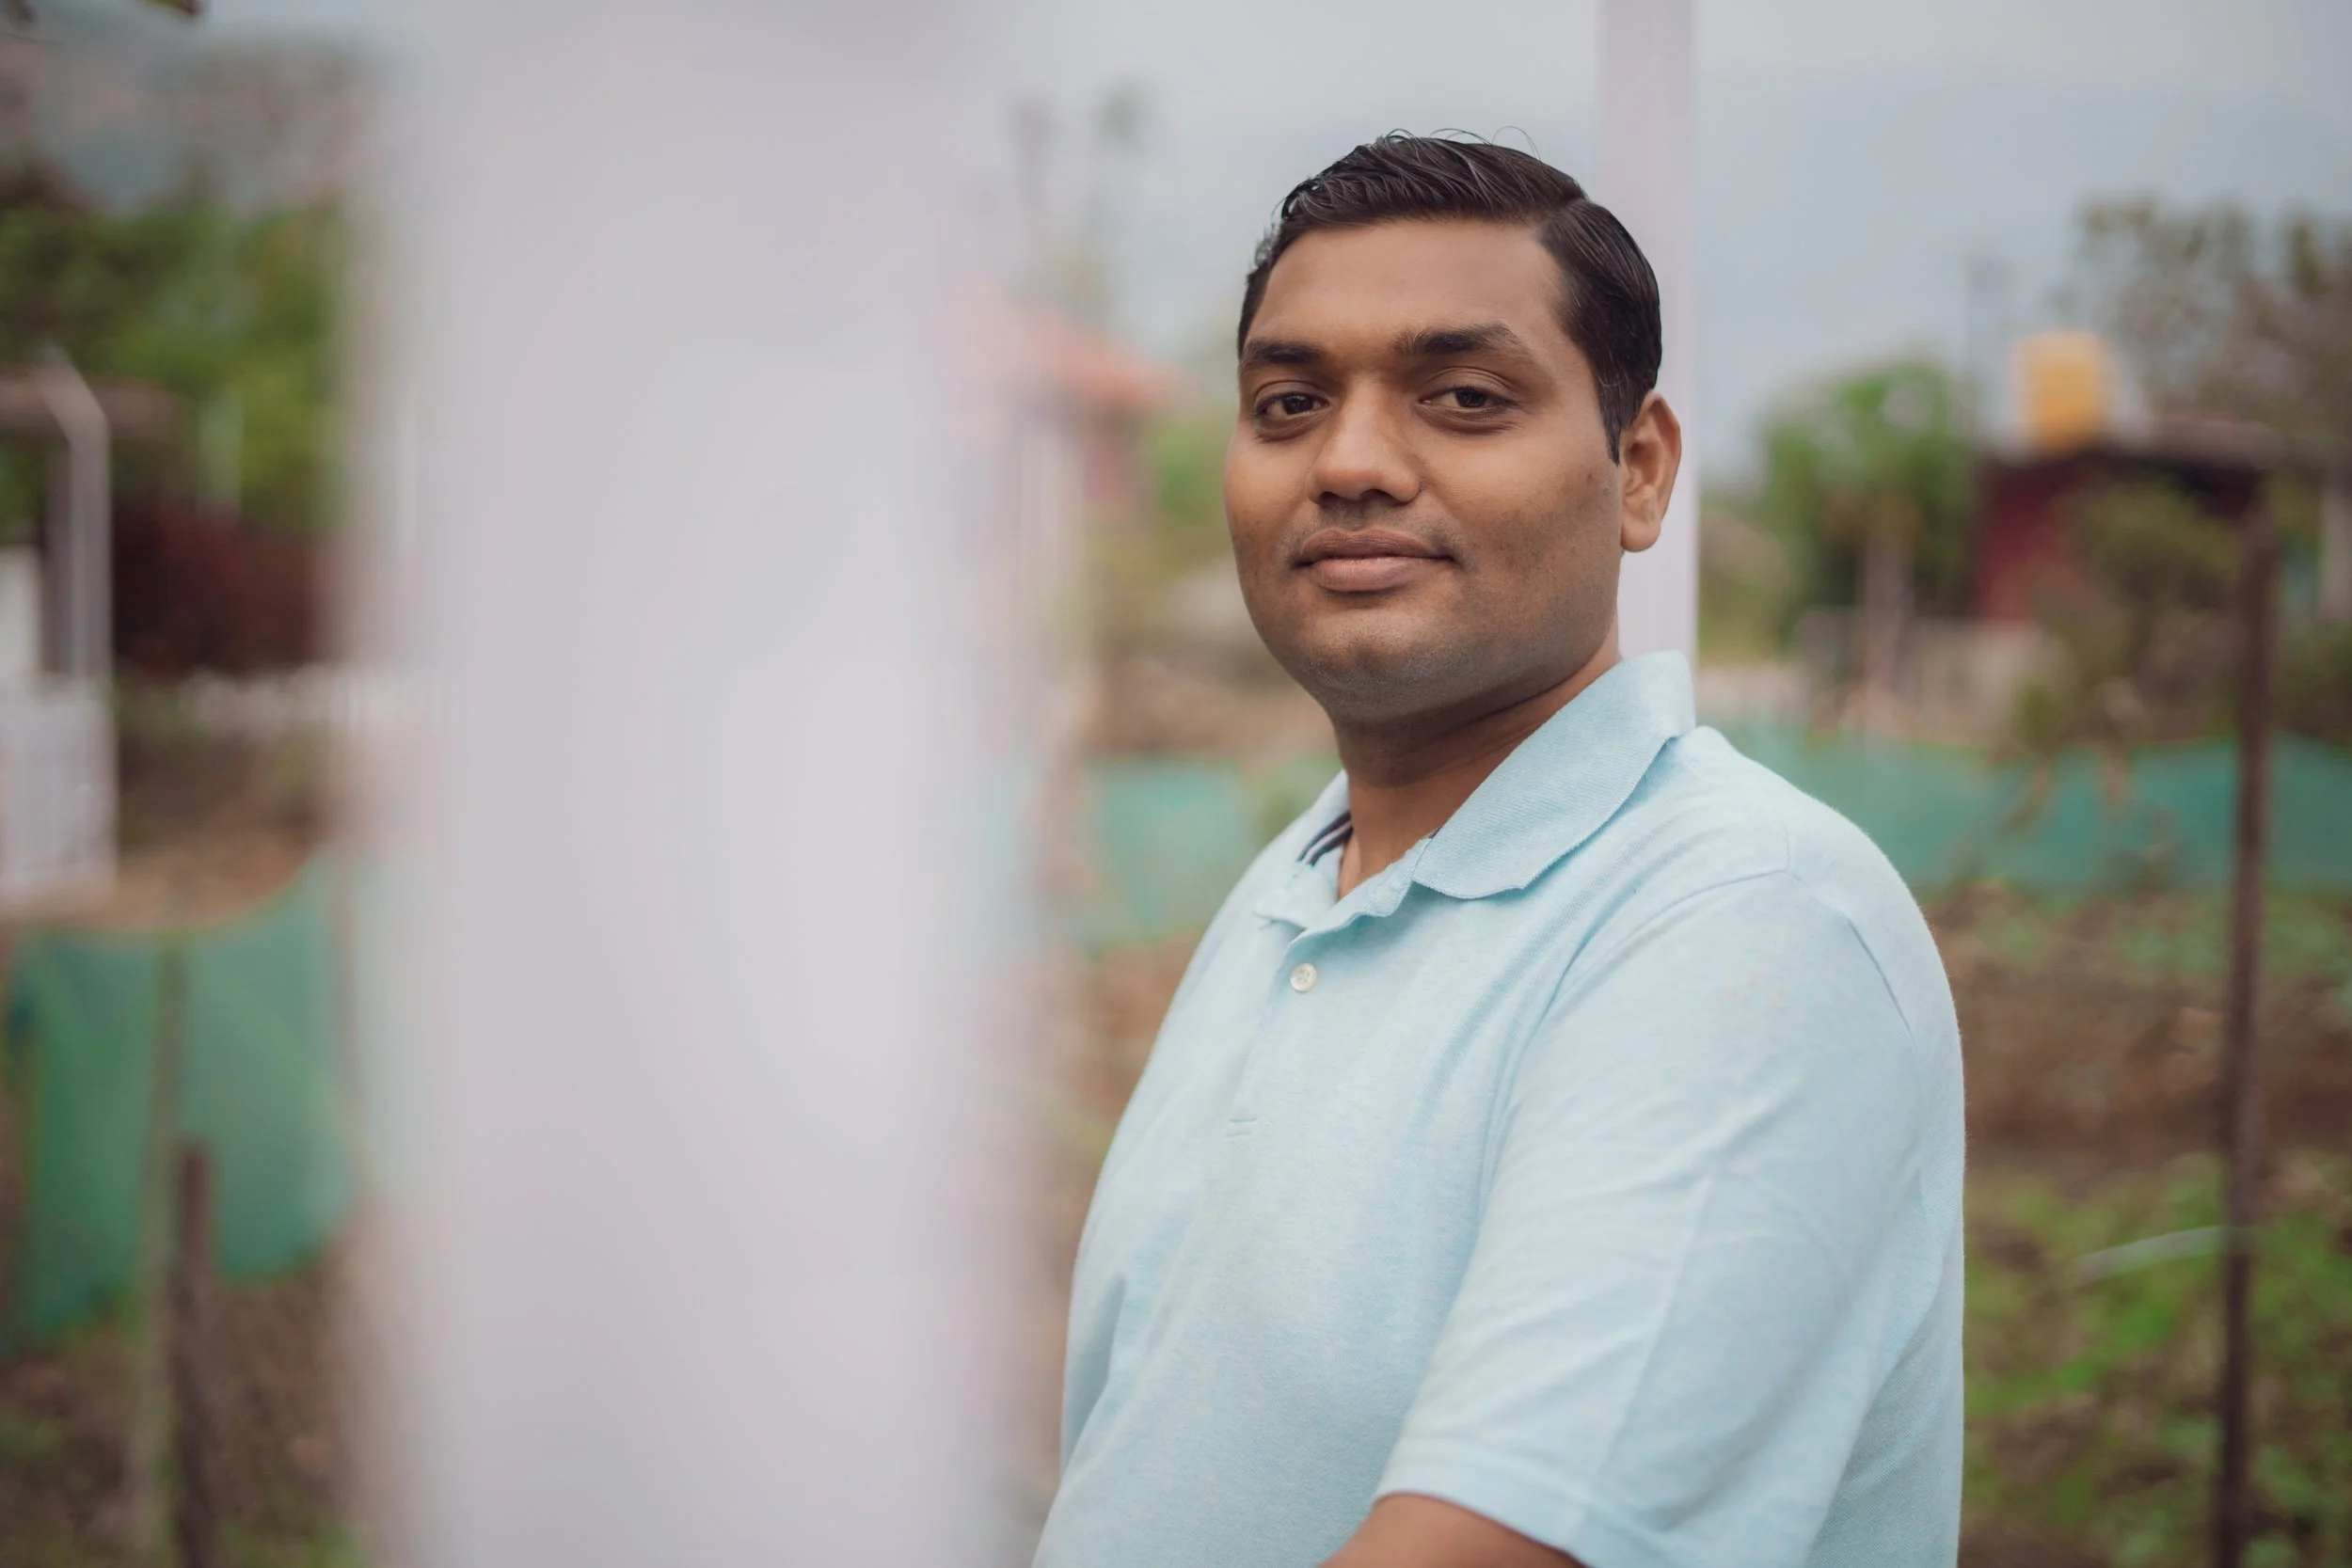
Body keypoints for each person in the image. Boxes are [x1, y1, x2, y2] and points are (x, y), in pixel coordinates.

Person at [1034, 135, 1963, 1568]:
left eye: (1465, 398)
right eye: (1288, 403)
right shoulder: (1294, 885)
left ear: (1638, 470)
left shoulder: (1743, 919)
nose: (1349, 461)